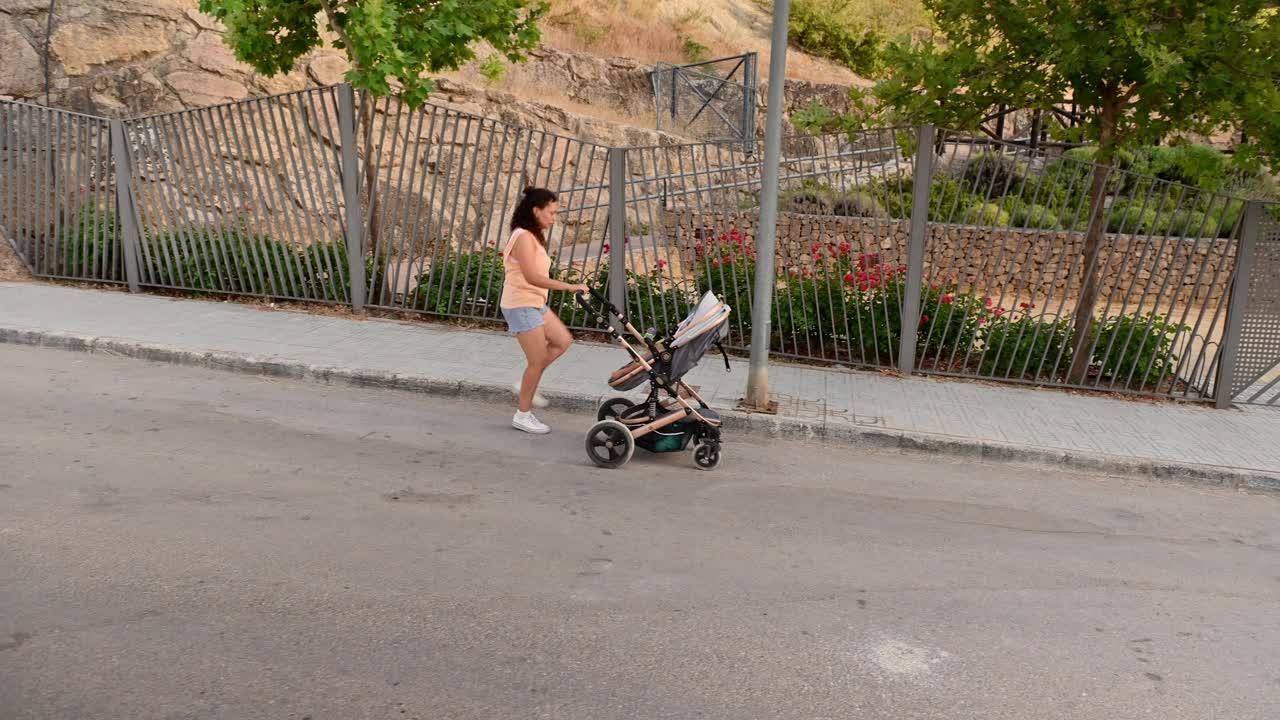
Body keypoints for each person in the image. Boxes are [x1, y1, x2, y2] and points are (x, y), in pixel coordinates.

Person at [501, 187, 590, 435]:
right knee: (536, 361)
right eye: (551, 213)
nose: (554, 218)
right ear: (536, 211)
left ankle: (525, 383)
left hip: (534, 302)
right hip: (521, 303)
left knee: (563, 340)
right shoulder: (522, 238)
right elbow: (532, 277)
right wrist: (570, 286)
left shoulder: (532, 236)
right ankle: (523, 414)